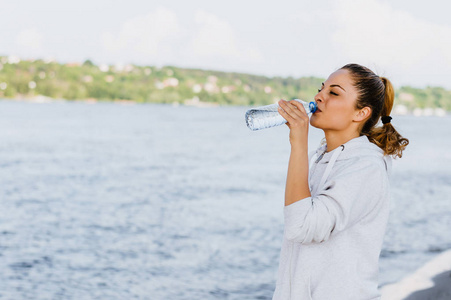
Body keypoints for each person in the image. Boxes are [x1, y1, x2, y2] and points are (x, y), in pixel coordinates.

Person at [272, 63, 409, 300]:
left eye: (333, 93)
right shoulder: (325, 157)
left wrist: (298, 143)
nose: (319, 96)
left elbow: (301, 226)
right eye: (321, 89)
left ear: (361, 113)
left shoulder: (366, 167)